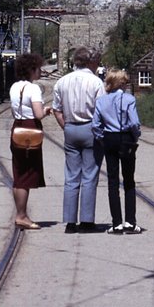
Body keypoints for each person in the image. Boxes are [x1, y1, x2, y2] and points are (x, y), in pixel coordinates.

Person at [52, 47, 105, 234]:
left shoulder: (62, 82)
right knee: (90, 175)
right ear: (90, 62)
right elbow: (101, 110)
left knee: (71, 175)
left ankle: (69, 221)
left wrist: (65, 125)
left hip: (70, 128)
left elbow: (56, 109)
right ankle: (86, 221)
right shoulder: (96, 82)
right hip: (90, 127)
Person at [92, 69, 143, 234]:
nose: (127, 84)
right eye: (126, 82)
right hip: (126, 138)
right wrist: (135, 136)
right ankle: (130, 222)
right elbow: (134, 122)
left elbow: (95, 125)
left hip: (109, 138)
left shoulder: (101, 101)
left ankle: (116, 223)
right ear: (121, 83)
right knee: (129, 180)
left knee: (112, 181)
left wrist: (102, 138)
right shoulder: (129, 99)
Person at [9, 53, 51, 230]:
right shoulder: (34, 89)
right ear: (31, 70)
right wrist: (47, 110)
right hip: (30, 130)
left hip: (17, 128)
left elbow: (14, 111)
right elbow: (38, 114)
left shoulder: (14, 87)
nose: (40, 71)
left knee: (19, 174)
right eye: (38, 68)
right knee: (26, 176)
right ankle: (22, 216)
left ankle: (21, 213)